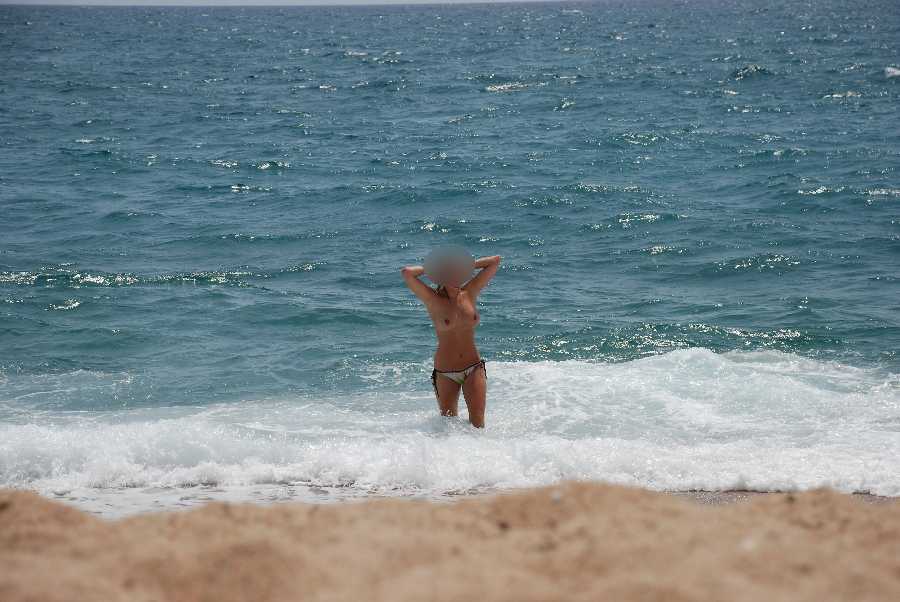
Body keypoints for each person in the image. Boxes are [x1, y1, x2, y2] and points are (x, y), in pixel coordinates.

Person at [400, 251, 501, 428]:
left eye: (457, 273)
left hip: (473, 367)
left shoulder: (470, 291)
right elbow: (407, 273)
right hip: (445, 372)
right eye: (450, 274)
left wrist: (464, 265)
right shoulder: (432, 299)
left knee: (478, 424)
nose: (455, 277)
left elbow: (494, 262)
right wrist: (434, 268)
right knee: (448, 426)